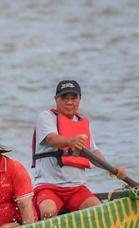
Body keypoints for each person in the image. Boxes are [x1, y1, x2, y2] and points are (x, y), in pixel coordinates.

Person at [32, 79, 128, 218]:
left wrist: (111, 168)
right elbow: (52, 139)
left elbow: (92, 152)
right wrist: (71, 141)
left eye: (74, 98)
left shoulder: (82, 123)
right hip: (49, 186)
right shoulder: (46, 117)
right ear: (55, 99)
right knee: (48, 211)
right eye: (64, 97)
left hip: (76, 189)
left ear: (79, 99)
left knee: (97, 211)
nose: (69, 102)